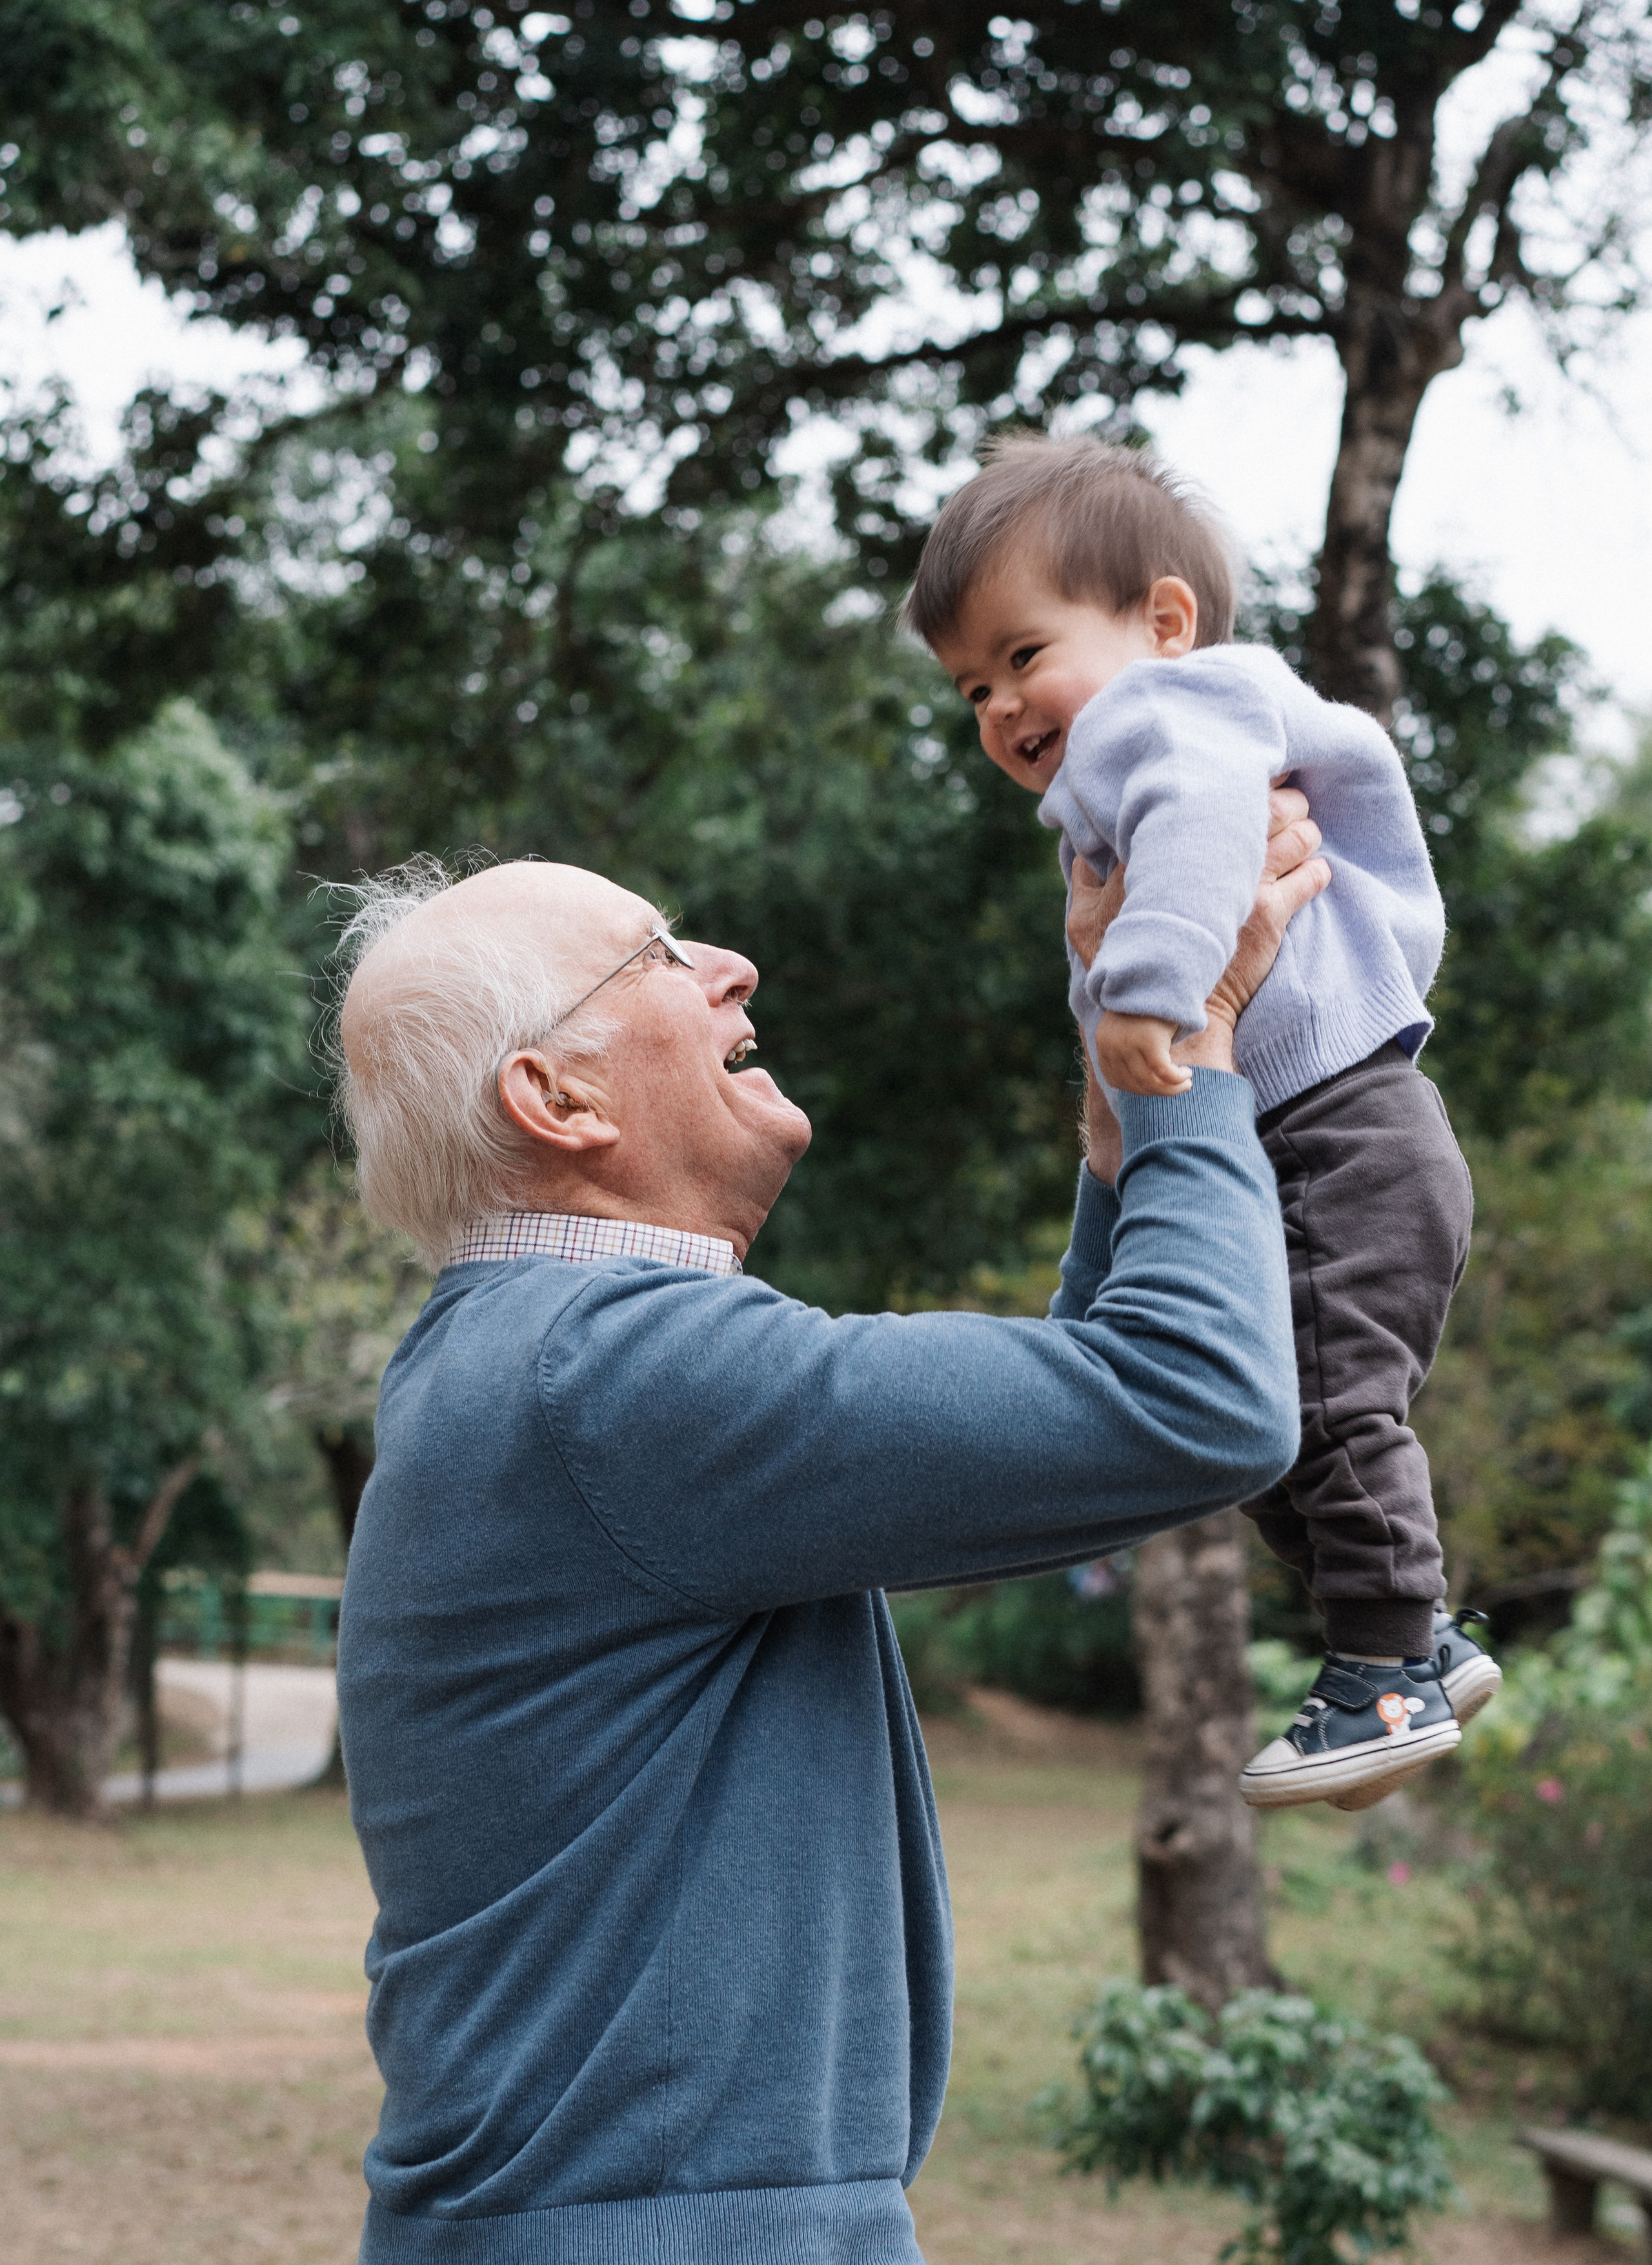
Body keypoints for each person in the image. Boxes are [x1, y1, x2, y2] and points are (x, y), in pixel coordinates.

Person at [330, 833, 1318, 2265]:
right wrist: (1189, 1048)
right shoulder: (613, 1373)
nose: (732, 966)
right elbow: (1194, 1402)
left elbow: (1090, 1416)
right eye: (660, 954)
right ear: (554, 1097)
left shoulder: (534, 1361)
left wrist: (1120, 1129)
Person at [908, 432, 1503, 1814]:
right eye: (970, 688)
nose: (998, 706)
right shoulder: (1113, 787)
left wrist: (1157, 987)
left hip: (1330, 1141)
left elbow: (1204, 823)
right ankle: (1413, 1643)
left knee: (1325, 1405)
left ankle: (1382, 1666)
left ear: (1161, 622)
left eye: (1019, 653)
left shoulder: (1170, 722)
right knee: (1259, 1424)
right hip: (1325, 1142)